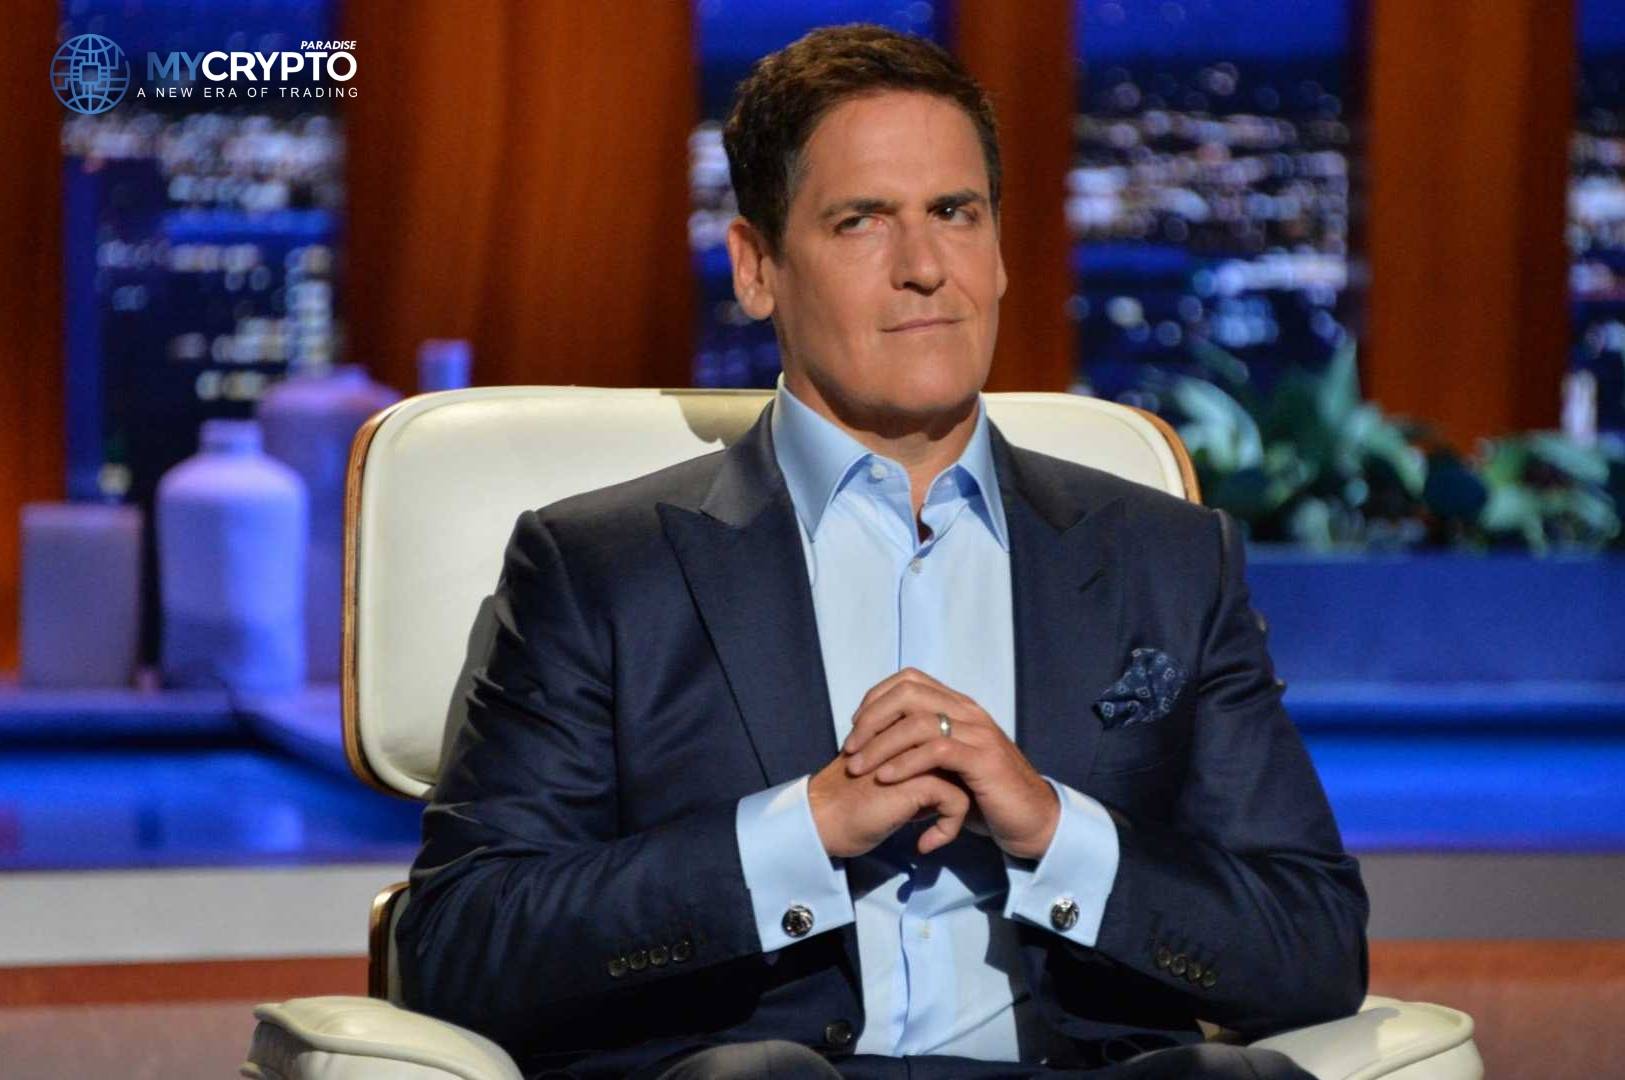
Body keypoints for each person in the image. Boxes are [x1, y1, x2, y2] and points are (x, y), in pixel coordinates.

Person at [397, 23, 1368, 1080]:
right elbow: (462, 945)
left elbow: (1311, 945)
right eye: (860, 221)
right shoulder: (599, 568)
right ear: (756, 269)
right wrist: (803, 829)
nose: (924, 270)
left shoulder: (1165, 559)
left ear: (999, 250)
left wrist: (1052, 830)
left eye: (954, 213)